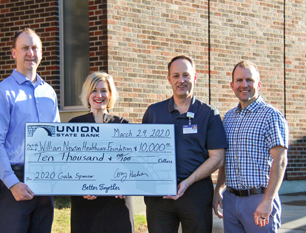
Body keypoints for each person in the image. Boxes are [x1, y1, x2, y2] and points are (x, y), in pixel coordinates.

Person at [142, 55, 227, 233]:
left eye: (186, 75)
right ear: (169, 79)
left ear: (195, 77)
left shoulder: (209, 114)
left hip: (195, 193)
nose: (181, 80)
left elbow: (217, 158)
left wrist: (187, 183)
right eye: (176, 75)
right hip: (159, 195)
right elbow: (142, 154)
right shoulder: (153, 112)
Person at [0, 28, 60, 233]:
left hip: (45, 180)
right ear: (14, 53)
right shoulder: (2, 92)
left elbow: (57, 140)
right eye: (25, 48)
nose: (30, 53)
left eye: (35, 48)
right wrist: (12, 183)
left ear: (41, 53)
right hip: (14, 179)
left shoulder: (49, 93)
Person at [213, 60, 289, 233]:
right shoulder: (229, 118)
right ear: (232, 85)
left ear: (259, 84)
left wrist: (268, 200)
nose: (244, 85)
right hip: (231, 200)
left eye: (249, 80)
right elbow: (226, 159)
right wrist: (219, 189)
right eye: (239, 80)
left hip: (259, 200)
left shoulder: (271, 116)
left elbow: (280, 161)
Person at [69, 72, 134, 233]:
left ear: (110, 94)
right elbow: (67, 166)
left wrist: (126, 184)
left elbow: (134, 165)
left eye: (104, 90)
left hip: (117, 204)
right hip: (85, 204)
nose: (99, 95)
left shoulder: (124, 125)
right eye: (94, 90)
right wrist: (79, 187)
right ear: (87, 94)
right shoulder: (74, 126)